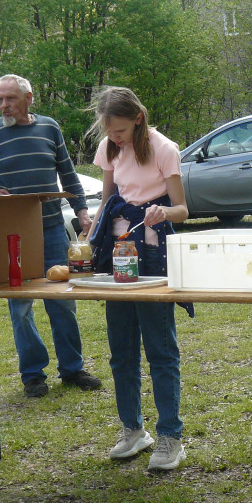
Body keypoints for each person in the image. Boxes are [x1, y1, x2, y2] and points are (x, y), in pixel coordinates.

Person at [0, 74, 102, 397]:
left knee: (62, 300)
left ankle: (72, 369)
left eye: (10, 99)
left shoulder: (49, 128)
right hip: (11, 235)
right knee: (21, 306)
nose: (4, 106)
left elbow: (67, 173)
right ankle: (33, 375)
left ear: (29, 98)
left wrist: (82, 211)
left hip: (52, 228)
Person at [84, 86, 189, 471]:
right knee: (121, 349)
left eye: (121, 132)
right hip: (119, 253)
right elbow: (108, 196)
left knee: (160, 349)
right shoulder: (110, 147)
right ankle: (132, 429)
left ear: (138, 119)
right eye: (111, 132)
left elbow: (183, 209)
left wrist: (163, 211)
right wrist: (90, 229)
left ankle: (170, 437)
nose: (115, 138)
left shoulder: (164, 148)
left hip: (154, 255)